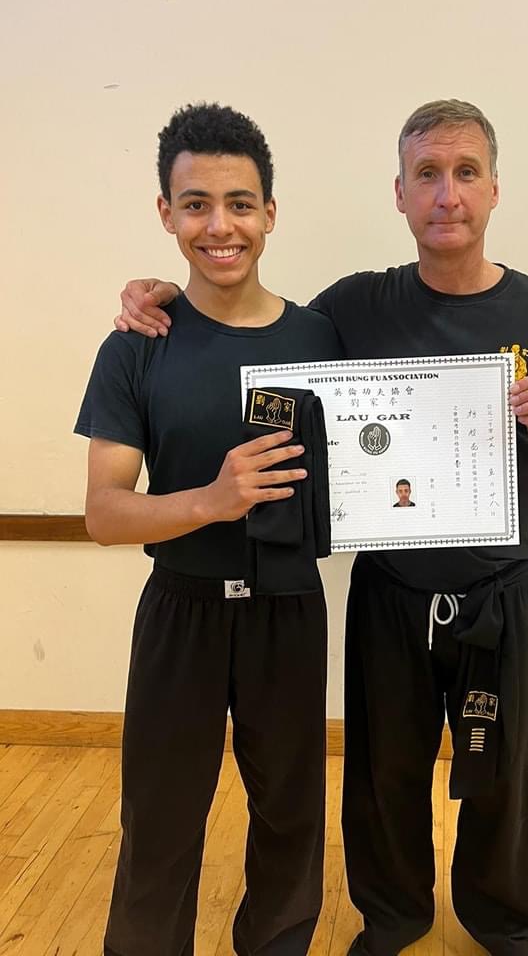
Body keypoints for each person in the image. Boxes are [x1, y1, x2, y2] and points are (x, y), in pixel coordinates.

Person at [114, 98, 528, 956]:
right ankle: (392, 918)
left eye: (465, 174)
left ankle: (502, 922)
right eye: (428, 175)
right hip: (390, 586)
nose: (447, 194)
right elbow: (251, 319)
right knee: (385, 772)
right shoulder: (354, 309)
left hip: (503, 585)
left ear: (494, 189)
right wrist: (160, 293)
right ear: (400, 193)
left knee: (506, 771)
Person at [75, 103, 342, 956]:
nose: (219, 225)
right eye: (195, 204)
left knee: (291, 820)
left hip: (289, 610)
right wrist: (211, 499)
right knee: (158, 821)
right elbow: (105, 512)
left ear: (270, 212)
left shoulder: (324, 337)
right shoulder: (136, 345)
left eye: (239, 202)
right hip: (180, 610)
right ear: (166, 214)